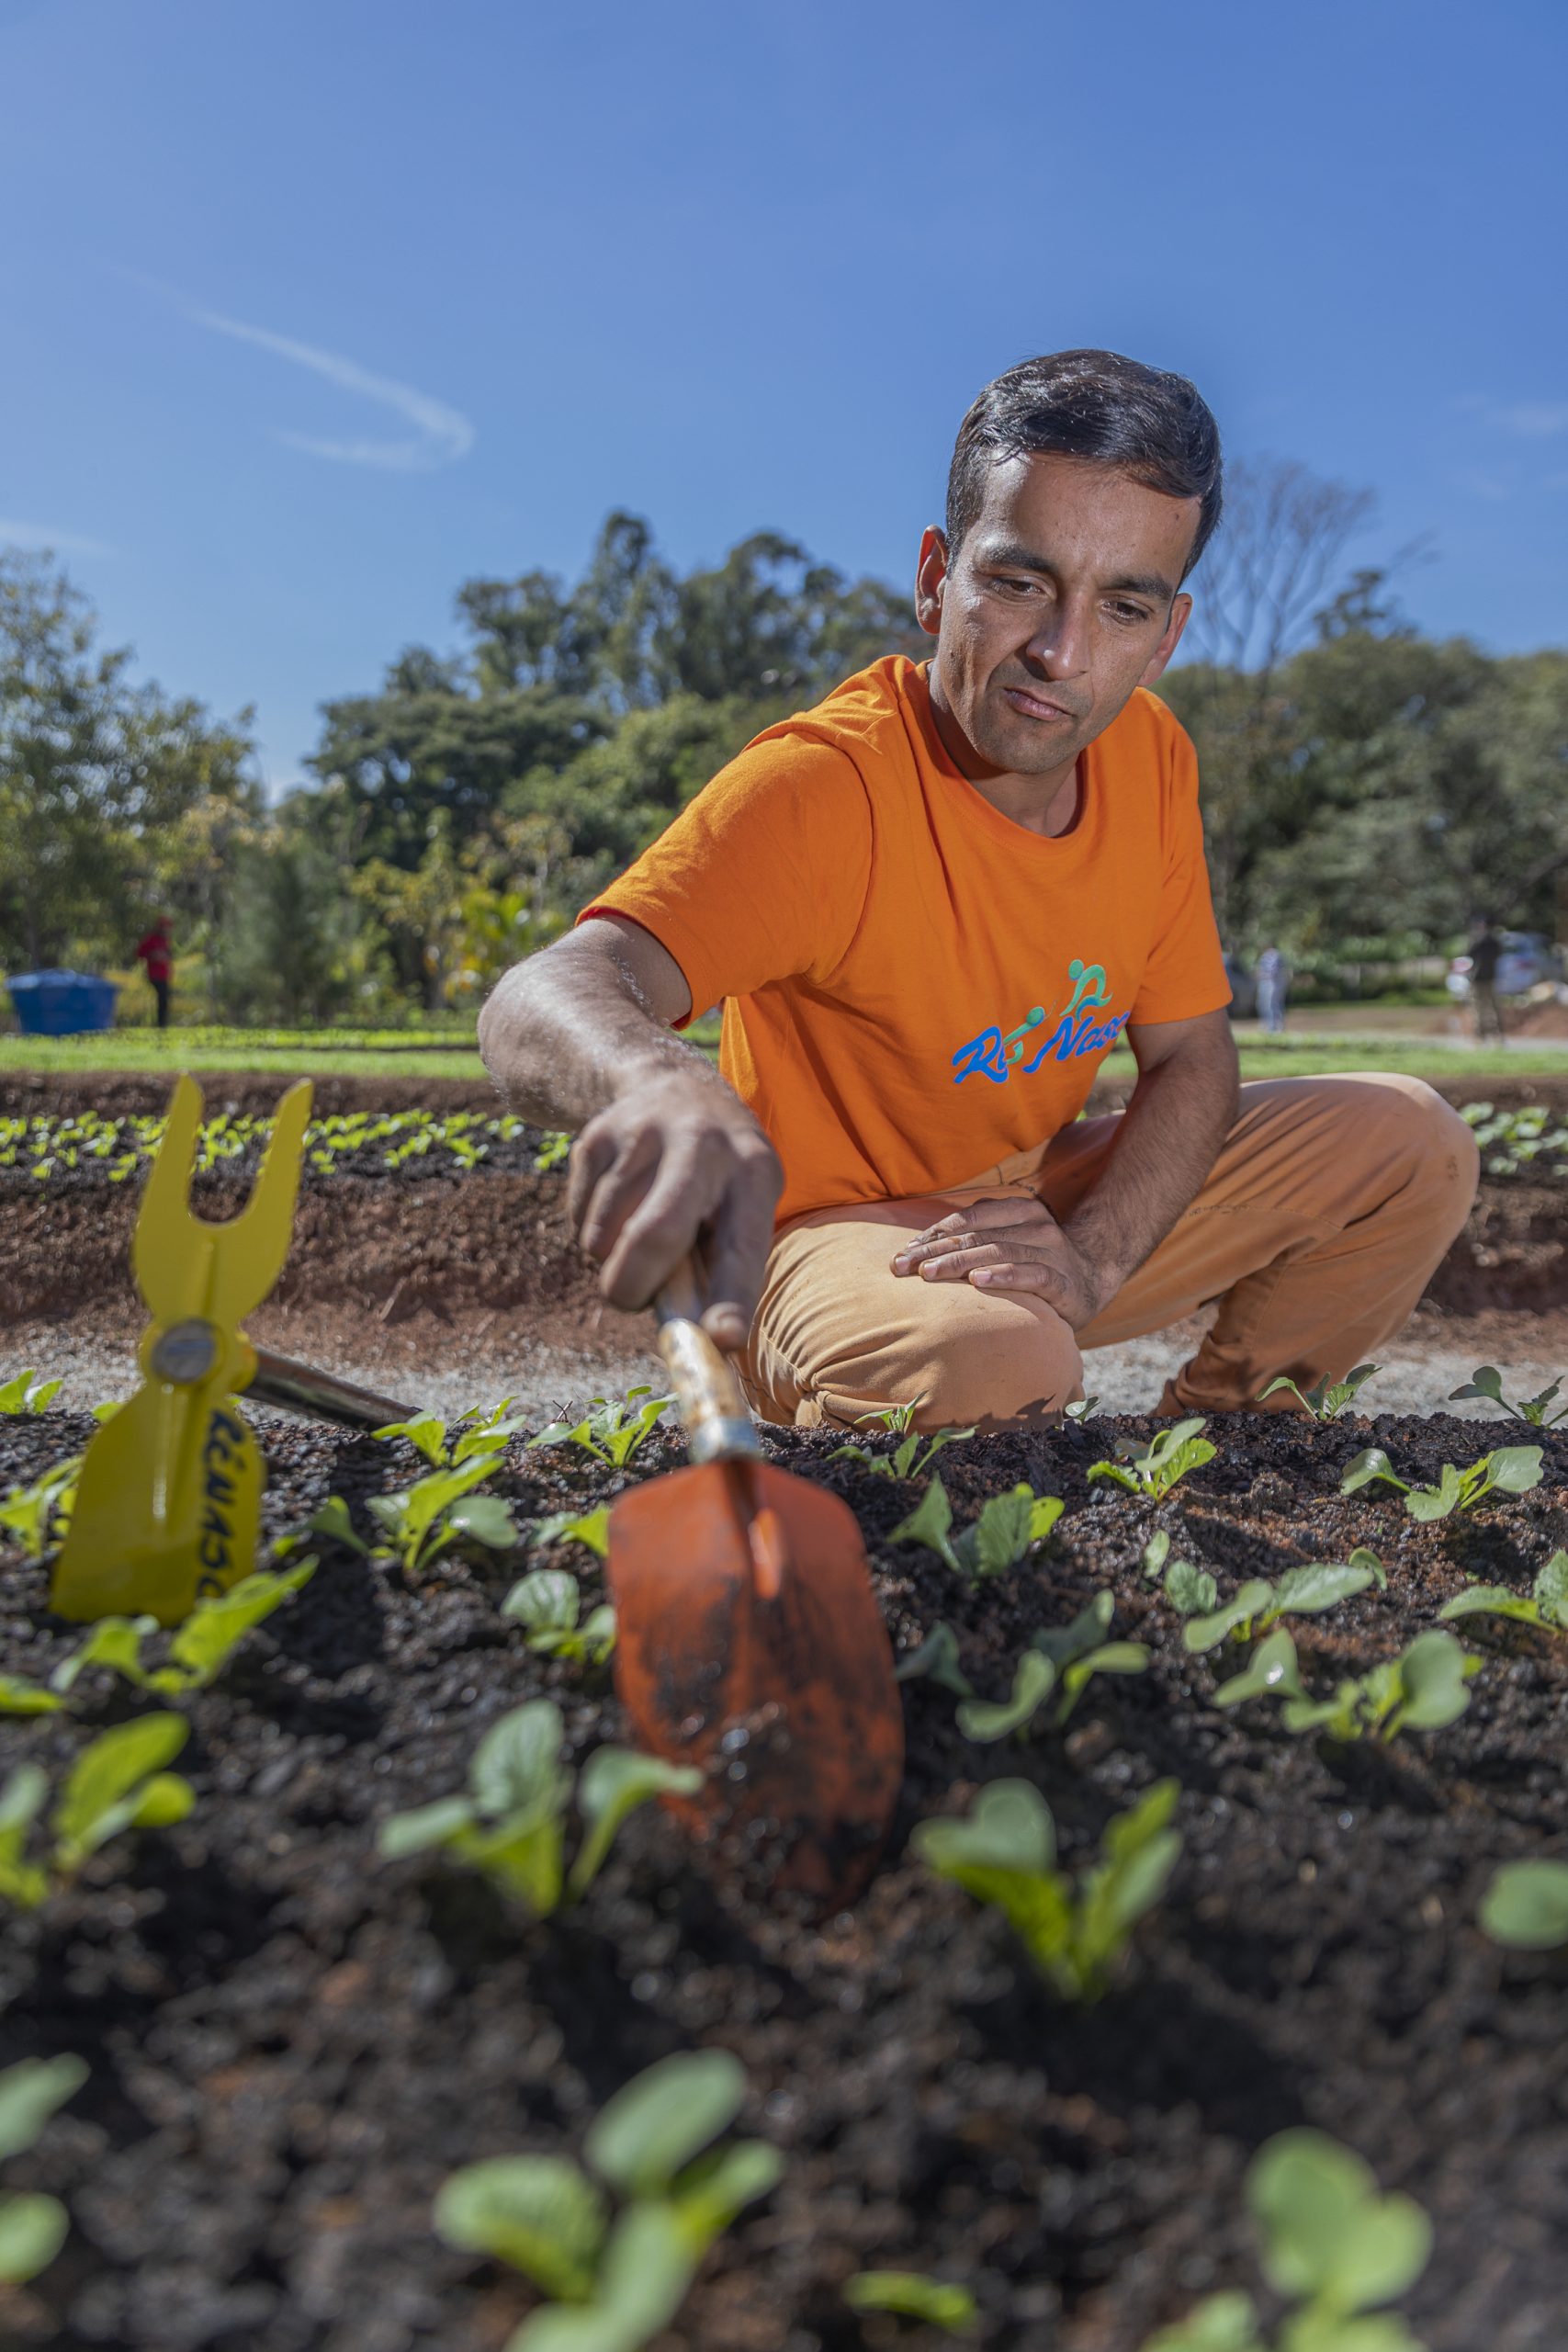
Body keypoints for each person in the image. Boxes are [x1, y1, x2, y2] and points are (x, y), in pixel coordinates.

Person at [479, 350, 1480, 1429]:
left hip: (1035, 1205)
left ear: (1168, 636)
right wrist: (656, 1083)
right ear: (934, 578)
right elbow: (543, 992)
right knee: (993, 1363)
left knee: (1414, 1142)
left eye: (1123, 607)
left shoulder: (1152, 755)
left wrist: (1091, 1259)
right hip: (831, 1238)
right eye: (1018, 582)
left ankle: (1225, 1447)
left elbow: (1192, 1056)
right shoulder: (827, 786)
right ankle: (867, 1408)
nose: (1061, 652)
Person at [1469, 920, 1506, 1043]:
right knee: (1481, 1008)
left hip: (1487, 978)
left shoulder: (1487, 942)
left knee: (1488, 1007)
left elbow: (1469, 953)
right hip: (1481, 978)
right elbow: (1469, 954)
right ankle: (1482, 1035)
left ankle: (1494, 1034)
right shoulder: (1488, 942)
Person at [135, 916, 175, 1030]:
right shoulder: (151, 939)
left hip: (164, 975)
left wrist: (165, 957)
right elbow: (139, 953)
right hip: (154, 975)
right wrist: (153, 955)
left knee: (165, 1000)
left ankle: (162, 1024)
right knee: (162, 998)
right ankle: (160, 1025)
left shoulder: (165, 941)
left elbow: (169, 956)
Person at [1254, 944, 1289, 1035]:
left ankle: (1274, 1027)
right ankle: (1269, 1025)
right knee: (1264, 1004)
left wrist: (1261, 974)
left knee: (1273, 1005)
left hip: (1273, 983)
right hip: (1266, 983)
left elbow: (1273, 971)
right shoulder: (1265, 956)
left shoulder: (1274, 955)